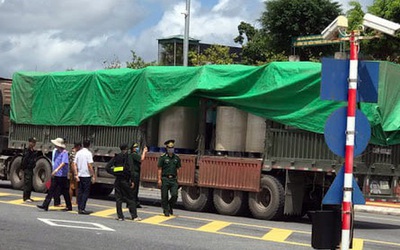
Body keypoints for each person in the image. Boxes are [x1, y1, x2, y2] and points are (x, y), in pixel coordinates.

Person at [106, 143, 140, 221]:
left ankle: (120, 216)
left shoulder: (117, 157)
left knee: (118, 199)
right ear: (126, 149)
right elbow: (131, 169)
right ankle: (134, 216)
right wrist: (132, 181)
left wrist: (115, 171)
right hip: (125, 180)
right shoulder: (128, 157)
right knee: (130, 198)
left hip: (118, 180)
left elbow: (107, 167)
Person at [37, 138, 72, 211]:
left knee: (65, 191)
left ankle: (69, 206)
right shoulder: (56, 152)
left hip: (62, 175)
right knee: (51, 190)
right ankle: (45, 205)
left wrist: (56, 170)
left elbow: (63, 163)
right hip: (56, 175)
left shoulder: (64, 153)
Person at [157, 139, 181, 217]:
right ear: (167, 148)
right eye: (169, 148)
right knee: (164, 196)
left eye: (172, 147)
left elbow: (178, 169)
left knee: (175, 195)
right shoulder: (163, 157)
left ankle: (170, 205)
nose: (171, 149)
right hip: (165, 178)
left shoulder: (176, 158)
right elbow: (159, 169)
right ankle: (166, 210)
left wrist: (178, 179)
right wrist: (159, 179)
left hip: (173, 179)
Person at [74, 139, 95, 215]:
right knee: (85, 192)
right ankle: (82, 208)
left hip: (80, 174)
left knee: (80, 191)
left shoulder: (78, 153)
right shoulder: (88, 153)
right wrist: (93, 175)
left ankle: (79, 207)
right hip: (86, 175)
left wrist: (76, 174)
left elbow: (74, 164)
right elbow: (89, 165)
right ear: (89, 145)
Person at [129, 142, 148, 208]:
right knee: (134, 189)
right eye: (135, 147)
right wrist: (144, 152)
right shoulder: (133, 155)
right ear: (132, 149)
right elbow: (141, 159)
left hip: (135, 173)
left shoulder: (133, 154)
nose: (137, 148)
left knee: (135, 189)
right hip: (134, 174)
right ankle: (132, 203)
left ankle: (135, 202)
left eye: (137, 147)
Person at [22, 137, 37, 202]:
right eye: (32, 142)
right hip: (27, 168)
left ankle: (28, 196)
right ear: (29, 142)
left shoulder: (32, 151)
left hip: (31, 168)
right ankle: (25, 197)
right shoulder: (27, 151)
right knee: (27, 183)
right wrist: (25, 168)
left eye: (34, 142)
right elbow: (24, 160)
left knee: (30, 183)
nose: (34, 144)